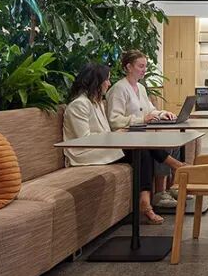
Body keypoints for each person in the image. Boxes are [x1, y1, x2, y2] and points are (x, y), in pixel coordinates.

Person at [66, 62, 185, 225]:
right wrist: (115, 135)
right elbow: (85, 139)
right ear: (96, 82)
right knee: (141, 148)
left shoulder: (96, 102)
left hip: (102, 147)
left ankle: (145, 200)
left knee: (143, 150)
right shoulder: (79, 105)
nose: (109, 83)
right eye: (106, 80)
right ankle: (177, 166)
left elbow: (105, 131)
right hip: (85, 153)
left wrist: (117, 134)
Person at [105, 50, 180, 209]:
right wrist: (141, 119)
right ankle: (161, 191)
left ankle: (171, 187)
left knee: (173, 141)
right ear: (128, 67)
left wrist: (162, 113)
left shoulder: (141, 88)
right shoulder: (119, 89)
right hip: (125, 138)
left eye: (145, 66)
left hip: (141, 134)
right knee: (154, 146)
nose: (144, 70)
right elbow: (114, 120)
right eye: (141, 66)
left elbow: (150, 110)